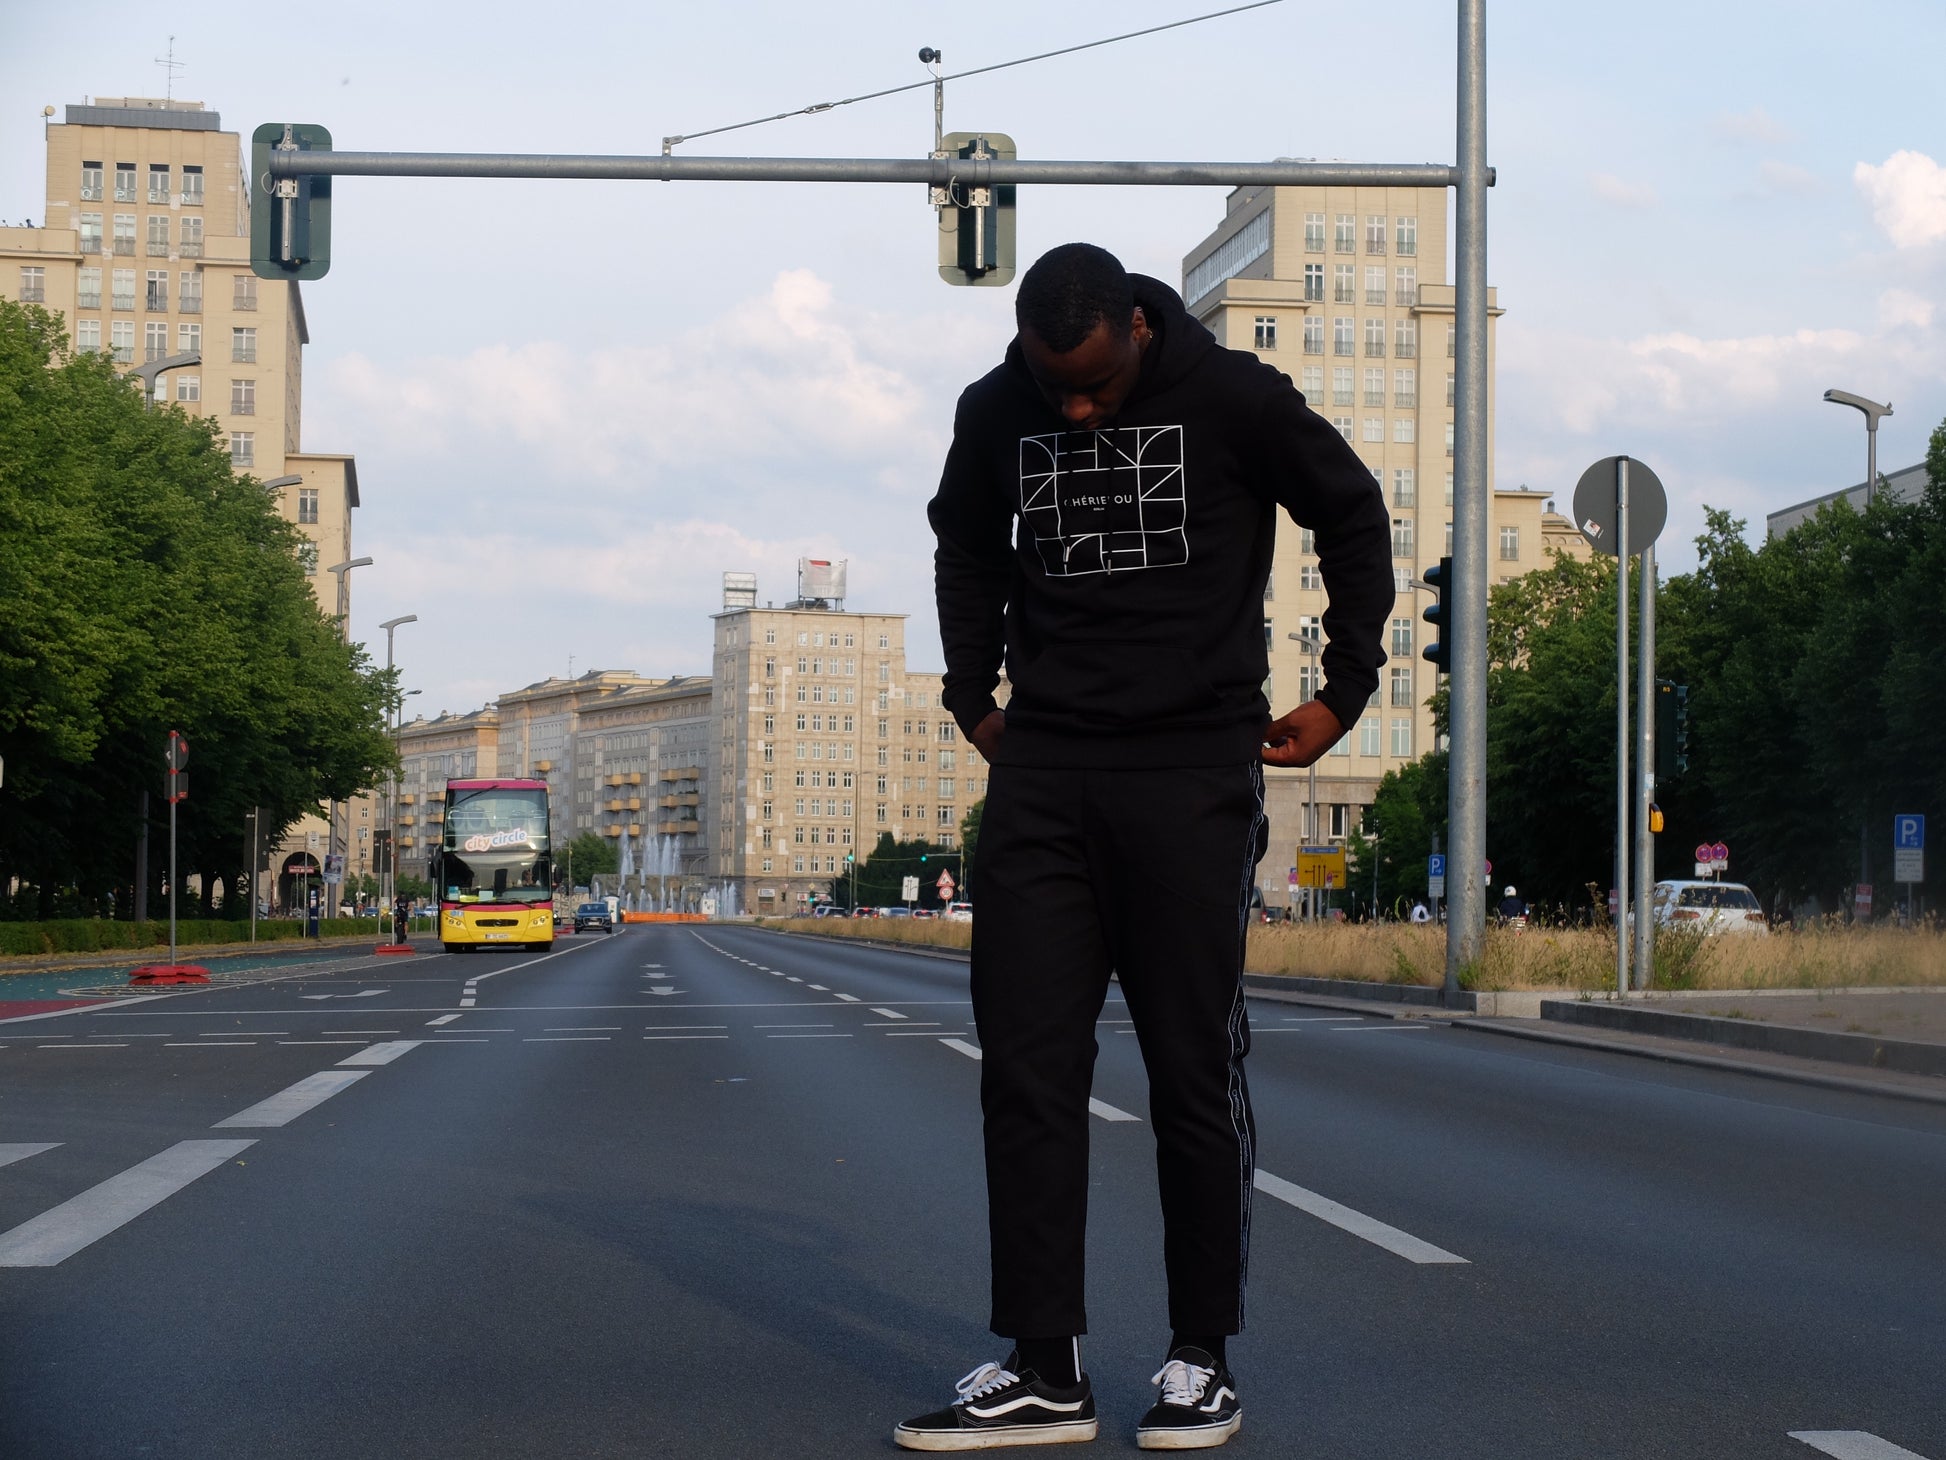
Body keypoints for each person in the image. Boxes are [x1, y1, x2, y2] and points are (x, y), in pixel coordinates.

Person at [902, 243, 1392, 1452]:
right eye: (1053, 387)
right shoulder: (994, 408)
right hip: (1041, 776)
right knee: (1025, 1070)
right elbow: (964, 547)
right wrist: (970, 697)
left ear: (1134, 326)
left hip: (1189, 772)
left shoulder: (1234, 397)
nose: (1074, 410)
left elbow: (1350, 510)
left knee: (1189, 1069)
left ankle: (1197, 1357)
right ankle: (1043, 1365)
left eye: (1094, 386)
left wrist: (1343, 688)